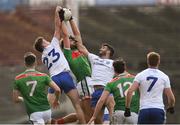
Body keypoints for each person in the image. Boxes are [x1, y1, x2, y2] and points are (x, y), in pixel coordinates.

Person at [33, 6, 86, 124]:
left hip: (54, 79)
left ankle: (42, 123)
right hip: (65, 76)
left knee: (46, 108)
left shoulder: (43, 56)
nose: (47, 40)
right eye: (44, 40)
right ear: (44, 44)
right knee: (77, 106)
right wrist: (57, 13)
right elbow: (57, 27)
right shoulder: (53, 44)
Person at [53, 10, 93, 124]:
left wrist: (71, 19)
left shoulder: (79, 48)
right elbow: (65, 36)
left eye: (72, 39)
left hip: (86, 82)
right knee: (89, 114)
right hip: (84, 81)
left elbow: (77, 34)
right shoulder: (68, 53)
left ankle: (57, 122)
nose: (72, 40)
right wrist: (61, 21)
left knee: (84, 114)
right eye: (69, 40)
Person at [125, 51, 176, 124]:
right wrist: (171, 106)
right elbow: (171, 97)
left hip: (144, 110)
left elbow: (130, 91)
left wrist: (127, 108)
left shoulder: (140, 75)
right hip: (158, 110)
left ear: (147, 61)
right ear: (158, 62)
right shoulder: (164, 76)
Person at [12, 52, 60, 124]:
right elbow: (57, 90)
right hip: (47, 111)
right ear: (35, 63)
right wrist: (56, 100)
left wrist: (23, 98)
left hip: (35, 113)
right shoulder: (44, 76)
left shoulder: (18, 79)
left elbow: (15, 99)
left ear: (25, 63)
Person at [76, 36, 115, 124]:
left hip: (107, 90)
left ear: (108, 51)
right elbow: (82, 48)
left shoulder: (113, 63)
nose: (100, 49)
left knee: (113, 116)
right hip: (96, 92)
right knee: (97, 120)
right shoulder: (94, 58)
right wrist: (75, 41)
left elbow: (122, 72)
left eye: (103, 48)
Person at [88, 58, 139, 124]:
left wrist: (94, 116)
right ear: (125, 67)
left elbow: (101, 100)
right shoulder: (135, 79)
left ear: (114, 70)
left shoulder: (111, 83)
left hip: (118, 113)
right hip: (133, 113)